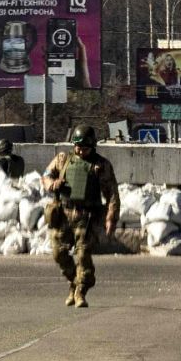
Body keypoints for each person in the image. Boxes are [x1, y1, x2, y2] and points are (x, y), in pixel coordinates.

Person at [42, 124, 119, 307]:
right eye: (77, 147)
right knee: (58, 253)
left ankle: (80, 292)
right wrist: (52, 184)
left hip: (87, 217)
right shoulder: (63, 159)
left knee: (83, 254)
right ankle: (74, 282)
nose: (80, 151)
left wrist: (111, 218)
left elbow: (112, 194)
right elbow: (46, 175)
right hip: (64, 214)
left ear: (92, 146)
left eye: (84, 148)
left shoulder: (101, 166)